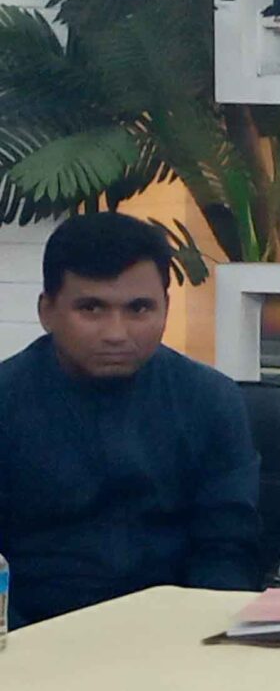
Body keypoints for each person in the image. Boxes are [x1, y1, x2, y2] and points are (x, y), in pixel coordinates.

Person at [0, 212, 263, 626]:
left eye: (139, 309)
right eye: (91, 308)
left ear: (165, 308)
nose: (116, 333)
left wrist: (201, 640)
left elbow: (227, 552)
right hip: (27, 634)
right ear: (47, 311)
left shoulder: (211, 400)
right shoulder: (6, 400)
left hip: (178, 636)